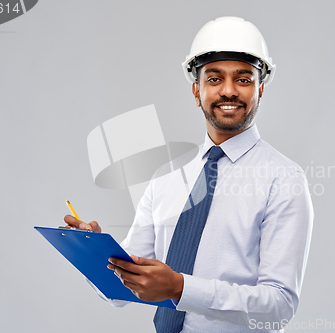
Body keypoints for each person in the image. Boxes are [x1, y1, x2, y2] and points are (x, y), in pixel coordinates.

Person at [65, 16, 313, 333]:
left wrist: (180, 288)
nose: (228, 91)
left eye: (243, 79)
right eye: (213, 79)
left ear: (260, 89)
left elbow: (278, 307)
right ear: (196, 91)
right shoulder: (167, 175)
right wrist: (94, 252)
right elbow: (121, 287)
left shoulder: (284, 179)